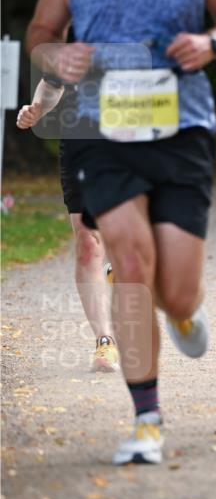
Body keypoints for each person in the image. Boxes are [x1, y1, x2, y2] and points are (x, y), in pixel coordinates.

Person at [25, 0, 216, 464]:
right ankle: (146, 418)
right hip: (103, 133)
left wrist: (211, 44)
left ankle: (183, 313)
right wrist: (55, 54)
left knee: (175, 291)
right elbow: (40, 33)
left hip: (181, 129)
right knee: (126, 262)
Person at [17, 77, 119, 373]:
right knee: (88, 244)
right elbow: (52, 84)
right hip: (81, 141)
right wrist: (38, 108)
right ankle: (104, 341)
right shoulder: (72, 33)